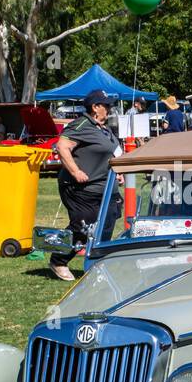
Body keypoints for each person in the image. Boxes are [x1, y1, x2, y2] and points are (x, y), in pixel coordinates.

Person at [49, 89, 122, 282]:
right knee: (84, 224)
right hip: (79, 188)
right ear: (95, 107)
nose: (109, 109)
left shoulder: (104, 129)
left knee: (108, 220)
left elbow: (112, 153)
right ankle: (59, 260)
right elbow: (62, 146)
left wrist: (120, 173)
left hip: (105, 188)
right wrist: (75, 171)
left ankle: (98, 263)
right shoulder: (81, 124)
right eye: (106, 105)